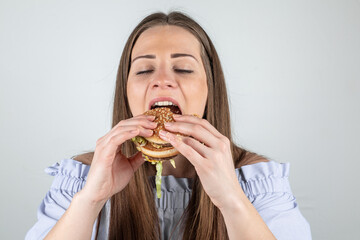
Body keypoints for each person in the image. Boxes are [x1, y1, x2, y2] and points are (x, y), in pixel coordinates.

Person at [25, 11, 311, 240]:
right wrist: (91, 200)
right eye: (144, 69)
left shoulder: (258, 183)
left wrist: (232, 199)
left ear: (210, 88)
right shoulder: (82, 179)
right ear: (125, 91)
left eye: (184, 69)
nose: (162, 80)